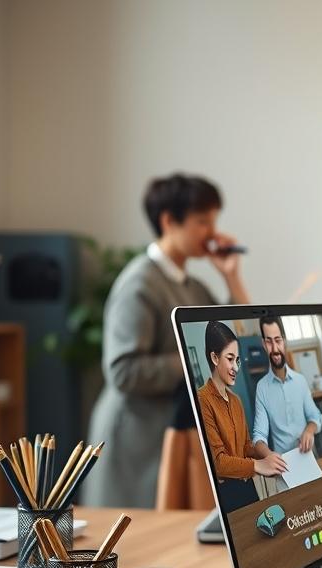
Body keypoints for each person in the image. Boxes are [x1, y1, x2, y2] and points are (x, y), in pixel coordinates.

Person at [85, 173, 252, 508]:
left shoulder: (193, 286)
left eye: (214, 221)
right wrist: (197, 365)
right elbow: (123, 371)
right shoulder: (139, 284)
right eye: (202, 221)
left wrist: (231, 275)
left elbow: (237, 335)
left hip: (169, 436)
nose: (212, 232)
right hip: (136, 440)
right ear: (168, 221)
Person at [196, 321, 286, 510]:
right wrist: (257, 465)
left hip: (248, 487)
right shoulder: (202, 400)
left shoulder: (235, 400)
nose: (236, 367)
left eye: (237, 360)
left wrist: (268, 455)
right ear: (214, 357)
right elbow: (219, 463)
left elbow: (245, 445)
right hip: (226, 495)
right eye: (230, 359)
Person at [251, 315, 322, 477]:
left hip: (308, 459)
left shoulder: (300, 380)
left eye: (278, 340)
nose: (275, 348)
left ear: (284, 341)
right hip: (284, 469)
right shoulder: (262, 388)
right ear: (264, 345)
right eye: (269, 342)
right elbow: (258, 436)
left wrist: (309, 431)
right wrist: (268, 455)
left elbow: (315, 416)